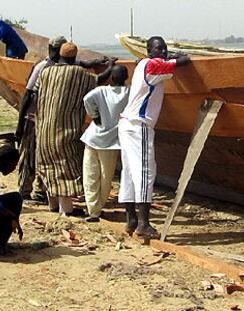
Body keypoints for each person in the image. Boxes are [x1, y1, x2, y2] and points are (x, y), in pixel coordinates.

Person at [118, 36, 191, 238]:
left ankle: (131, 220)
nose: (163, 52)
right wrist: (177, 57)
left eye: (165, 48)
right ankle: (143, 224)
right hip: (138, 125)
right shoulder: (152, 66)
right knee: (145, 172)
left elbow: (167, 63)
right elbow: (184, 62)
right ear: (149, 51)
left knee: (130, 172)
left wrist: (169, 58)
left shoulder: (142, 63)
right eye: (159, 49)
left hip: (127, 124)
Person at [34, 42, 114, 216]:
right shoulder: (78, 73)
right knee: (64, 167)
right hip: (63, 130)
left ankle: (52, 205)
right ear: (75, 57)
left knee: (48, 167)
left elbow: (35, 92)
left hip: (43, 129)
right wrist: (111, 65)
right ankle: (66, 210)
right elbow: (99, 80)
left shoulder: (46, 72)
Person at [15, 36, 68, 203]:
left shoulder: (58, 68)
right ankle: (24, 190)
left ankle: (40, 191)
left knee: (44, 155)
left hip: (47, 119)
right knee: (28, 155)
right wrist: (21, 122)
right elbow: (28, 94)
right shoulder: (42, 67)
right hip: (32, 117)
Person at [81, 65, 130, 222]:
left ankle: (92, 210)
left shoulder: (101, 91)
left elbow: (86, 99)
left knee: (90, 174)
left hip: (92, 137)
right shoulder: (129, 93)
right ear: (126, 78)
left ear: (111, 78)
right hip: (110, 143)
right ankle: (98, 208)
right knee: (105, 177)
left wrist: (95, 115)